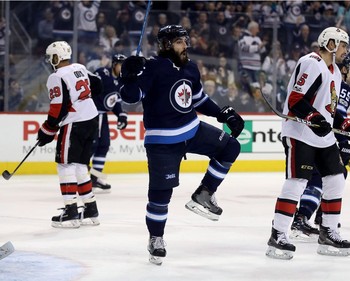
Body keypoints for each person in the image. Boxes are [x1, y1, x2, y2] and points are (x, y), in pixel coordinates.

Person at [119, 25, 244, 265]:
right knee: (160, 195)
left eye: (186, 40)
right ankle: (156, 238)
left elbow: (199, 99)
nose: (185, 45)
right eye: (179, 42)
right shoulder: (152, 68)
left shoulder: (190, 68)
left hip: (192, 130)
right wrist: (128, 77)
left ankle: (204, 193)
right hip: (162, 141)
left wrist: (222, 114)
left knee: (230, 147)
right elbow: (131, 97)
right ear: (166, 45)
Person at [265, 27, 350, 260]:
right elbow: (295, 100)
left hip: (323, 137)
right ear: (330, 43)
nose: (346, 50)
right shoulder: (311, 62)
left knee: (336, 179)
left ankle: (328, 231)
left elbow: (330, 112)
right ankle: (278, 233)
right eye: (343, 45)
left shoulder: (335, 72)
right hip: (300, 133)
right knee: (297, 182)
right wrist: (313, 118)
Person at [290, 56, 350, 240]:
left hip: (310, 135)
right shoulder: (342, 86)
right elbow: (337, 115)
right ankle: (304, 216)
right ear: (343, 69)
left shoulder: (327, 76)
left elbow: (333, 116)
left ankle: (320, 215)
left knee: (334, 175)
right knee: (321, 177)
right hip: (314, 138)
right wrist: (343, 144)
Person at [38, 41, 102, 228]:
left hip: (75, 123)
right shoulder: (79, 67)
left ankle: (71, 212)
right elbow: (98, 85)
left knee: (65, 164)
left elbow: (58, 108)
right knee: (81, 164)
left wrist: (47, 130)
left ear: (56, 58)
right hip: (91, 119)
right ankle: (91, 211)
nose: (51, 61)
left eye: (52, 58)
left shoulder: (56, 76)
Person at [91, 54, 128, 191]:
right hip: (91, 116)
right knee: (91, 146)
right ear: (114, 65)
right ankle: (81, 179)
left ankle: (94, 178)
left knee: (104, 145)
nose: (123, 68)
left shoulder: (120, 81)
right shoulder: (102, 73)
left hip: (103, 117)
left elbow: (115, 101)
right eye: (121, 65)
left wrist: (121, 115)